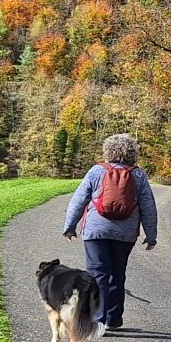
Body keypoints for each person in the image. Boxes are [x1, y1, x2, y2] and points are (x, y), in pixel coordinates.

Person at [61, 134, 159, 331]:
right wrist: (151, 235)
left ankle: (98, 320)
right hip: (125, 234)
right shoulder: (138, 175)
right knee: (117, 273)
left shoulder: (97, 171)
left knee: (97, 274)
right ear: (132, 152)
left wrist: (70, 227)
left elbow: (78, 200)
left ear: (108, 151)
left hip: (95, 231)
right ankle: (113, 319)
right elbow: (149, 207)